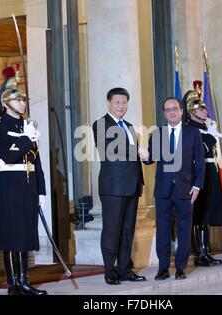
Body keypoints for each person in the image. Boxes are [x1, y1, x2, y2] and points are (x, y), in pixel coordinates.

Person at [0, 66, 47, 295]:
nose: (23, 104)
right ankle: (15, 283)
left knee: (24, 233)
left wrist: (41, 190)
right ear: (6, 103)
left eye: (24, 100)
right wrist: (26, 139)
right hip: (10, 184)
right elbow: (7, 154)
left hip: (28, 183)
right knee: (12, 235)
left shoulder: (27, 126)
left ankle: (24, 279)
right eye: (18, 100)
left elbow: (36, 160)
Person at [141, 97, 204, 280]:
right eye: (167, 110)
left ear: (182, 111)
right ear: (164, 113)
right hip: (163, 190)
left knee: (184, 229)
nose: (171, 112)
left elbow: (200, 163)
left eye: (174, 108)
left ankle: (181, 267)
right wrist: (144, 155)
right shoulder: (157, 134)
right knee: (163, 230)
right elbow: (150, 158)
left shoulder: (192, 133)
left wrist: (197, 186)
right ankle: (163, 268)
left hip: (186, 190)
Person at [92, 87, 146, 285]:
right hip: (113, 187)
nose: (121, 106)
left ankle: (125, 269)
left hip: (132, 186)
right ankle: (110, 270)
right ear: (109, 103)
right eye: (117, 102)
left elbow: (135, 158)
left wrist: (143, 172)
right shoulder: (100, 124)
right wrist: (139, 151)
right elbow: (112, 148)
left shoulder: (130, 126)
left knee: (127, 230)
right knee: (112, 230)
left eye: (124, 103)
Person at [183, 84, 222, 267]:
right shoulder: (191, 129)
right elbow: (199, 150)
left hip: (211, 172)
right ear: (191, 111)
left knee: (207, 214)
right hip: (199, 175)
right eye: (200, 108)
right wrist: (211, 137)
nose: (204, 110)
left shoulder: (204, 128)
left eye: (204, 107)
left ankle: (206, 251)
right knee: (200, 215)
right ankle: (199, 254)